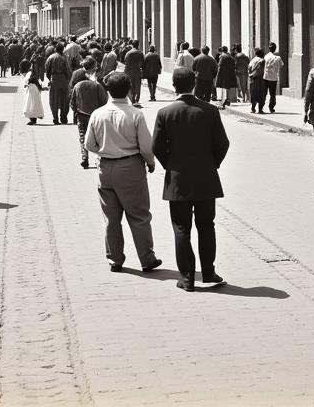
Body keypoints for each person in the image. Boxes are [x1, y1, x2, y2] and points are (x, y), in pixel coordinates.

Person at [152, 66, 229, 291]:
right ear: (194, 83)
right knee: (207, 226)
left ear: (174, 85)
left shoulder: (165, 113)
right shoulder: (210, 110)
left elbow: (156, 147)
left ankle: (187, 278)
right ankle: (208, 272)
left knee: (181, 228)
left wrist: (171, 165)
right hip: (205, 178)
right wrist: (212, 164)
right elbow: (223, 144)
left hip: (178, 180)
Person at [84, 72, 162, 274]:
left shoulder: (97, 114)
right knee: (138, 215)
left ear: (107, 90)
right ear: (128, 89)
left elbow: (89, 144)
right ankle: (146, 258)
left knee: (111, 218)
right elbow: (146, 146)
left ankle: (115, 259)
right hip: (130, 167)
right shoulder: (135, 114)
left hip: (105, 169)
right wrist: (150, 162)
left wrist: (104, 150)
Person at [71, 61, 108, 168]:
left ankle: (84, 158)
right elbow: (104, 102)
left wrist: (77, 111)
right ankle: (100, 158)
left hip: (81, 116)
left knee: (83, 137)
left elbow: (72, 103)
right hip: (96, 116)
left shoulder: (77, 86)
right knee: (98, 137)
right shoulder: (97, 86)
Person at [45, 44, 71, 125]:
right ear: (63, 49)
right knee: (65, 99)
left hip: (54, 79)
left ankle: (55, 118)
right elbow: (68, 70)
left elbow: (47, 69)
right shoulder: (65, 58)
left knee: (54, 100)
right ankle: (63, 117)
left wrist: (50, 78)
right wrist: (68, 79)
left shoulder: (51, 57)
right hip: (63, 79)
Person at [262, 42, 283, 113]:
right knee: (272, 94)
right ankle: (271, 107)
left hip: (266, 77)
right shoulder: (278, 58)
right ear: (275, 49)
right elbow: (281, 65)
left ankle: (261, 106)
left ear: (269, 48)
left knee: (264, 93)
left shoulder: (265, 57)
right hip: (274, 78)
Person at [123, 39, 145, 105]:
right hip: (137, 71)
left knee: (131, 86)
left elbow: (125, 62)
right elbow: (143, 62)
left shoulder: (128, 53)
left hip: (129, 71)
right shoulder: (140, 53)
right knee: (137, 86)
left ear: (132, 45)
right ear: (138, 45)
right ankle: (136, 99)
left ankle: (132, 99)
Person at [247, 47, 266, 113]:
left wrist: (250, 75)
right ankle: (260, 109)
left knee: (253, 94)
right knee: (261, 94)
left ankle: (253, 108)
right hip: (259, 79)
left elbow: (249, 68)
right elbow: (259, 70)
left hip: (252, 79)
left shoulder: (253, 60)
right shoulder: (262, 60)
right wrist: (254, 75)